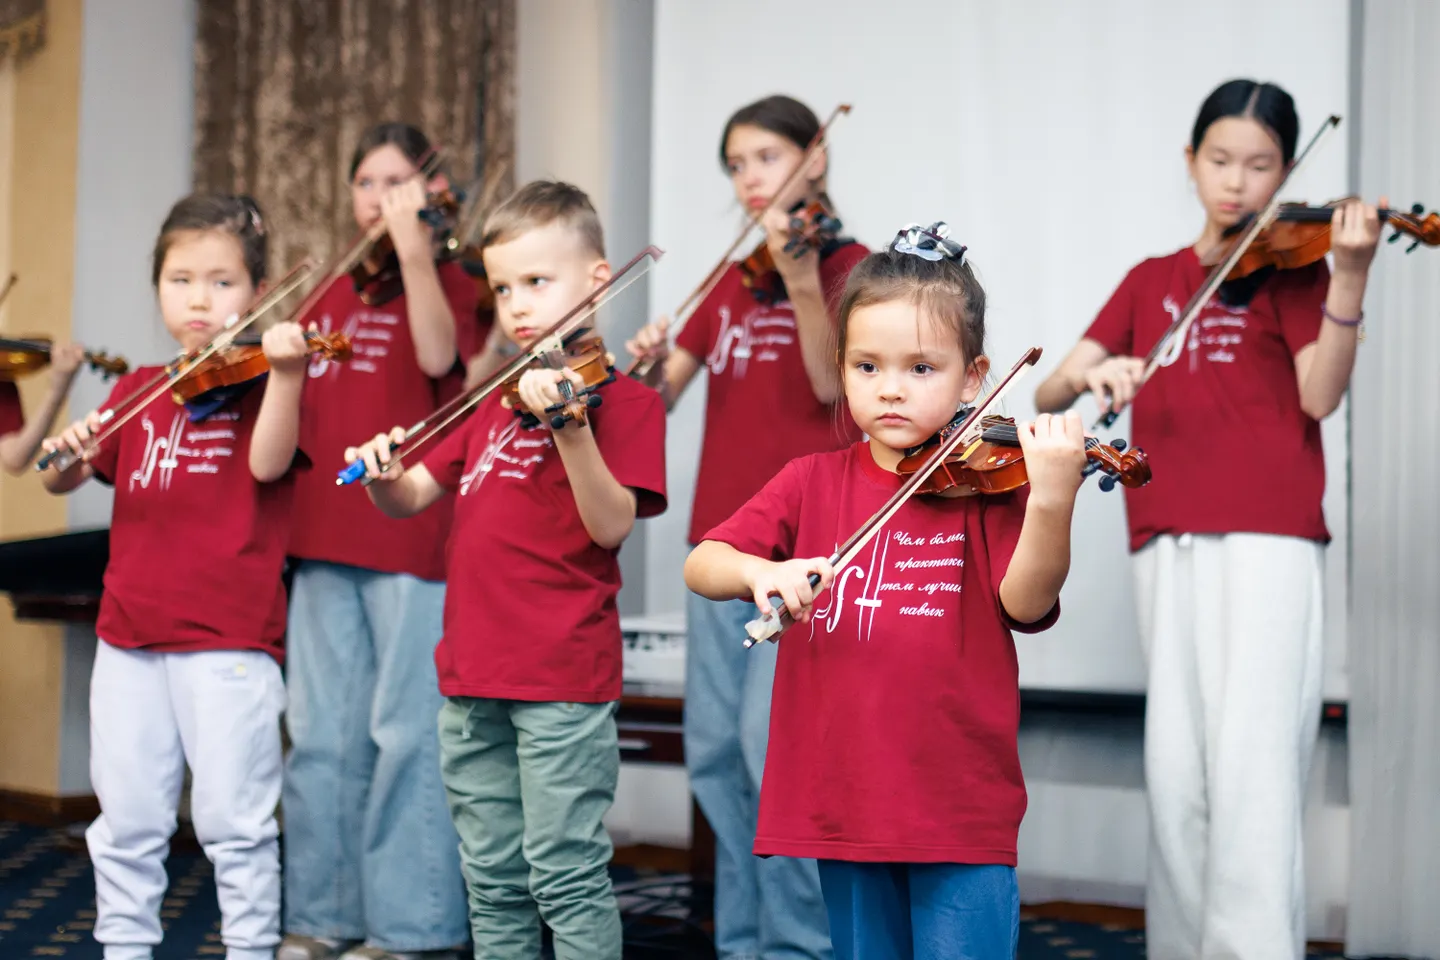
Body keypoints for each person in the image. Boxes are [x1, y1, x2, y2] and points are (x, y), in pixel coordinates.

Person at [1032, 79, 1383, 959]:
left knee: (1254, 775)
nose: (1236, 182)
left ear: (1286, 173)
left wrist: (1349, 276)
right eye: (1220, 161)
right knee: (1177, 774)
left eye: (1260, 166)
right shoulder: (1152, 281)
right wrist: (1095, 372)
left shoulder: (1297, 271)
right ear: (1189, 163)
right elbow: (1048, 388)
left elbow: (1320, 392)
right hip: (1164, 539)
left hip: (1268, 540)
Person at [684, 222, 1085, 958]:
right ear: (841, 367)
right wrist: (760, 572)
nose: (890, 388)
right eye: (867, 367)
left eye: (921, 369)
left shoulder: (988, 489)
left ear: (974, 376)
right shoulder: (812, 481)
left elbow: (1026, 604)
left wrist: (1053, 501)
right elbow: (705, 561)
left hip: (957, 806)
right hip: (846, 802)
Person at [345, 180, 667, 960]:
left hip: (560, 678)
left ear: (597, 280)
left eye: (537, 282)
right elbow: (415, 494)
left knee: (563, 874)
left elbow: (612, 523)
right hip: (470, 677)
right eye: (503, 289)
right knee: (489, 878)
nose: (517, 306)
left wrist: (571, 429)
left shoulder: (624, 403)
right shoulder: (489, 402)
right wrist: (387, 474)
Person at [625, 93, 870, 959]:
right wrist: (644, 368)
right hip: (723, 549)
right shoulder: (730, 280)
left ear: (816, 159)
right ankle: (743, 940)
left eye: (766, 157)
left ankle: (798, 946)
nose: (750, 178)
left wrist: (803, 280)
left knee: (778, 764)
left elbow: (830, 389)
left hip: (805, 552)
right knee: (717, 757)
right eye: (737, 164)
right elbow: (662, 400)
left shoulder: (855, 271)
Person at [39, 193, 307, 960]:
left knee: (235, 825)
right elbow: (61, 481)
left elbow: (268, 464)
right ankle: (125, 948)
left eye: (223, 282)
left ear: (258, 293)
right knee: (125, 824)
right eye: (181, 278)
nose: (200, 298)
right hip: (129, 638)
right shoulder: (137, 392)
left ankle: (251, 950)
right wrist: (68, 445)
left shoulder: (265, 384)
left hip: (229, 644)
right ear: (158, 287)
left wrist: (286, 374)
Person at [279, 122, 480, 960]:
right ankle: (320, 918)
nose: (379, 198)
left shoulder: (460, 283)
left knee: (405, 736)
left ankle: (407, 930)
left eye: (397, 182)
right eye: (367, 182)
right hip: (321, 537)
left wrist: (415, 252)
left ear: (433, 195)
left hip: (413, 540)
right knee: (321, 737)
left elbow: (441, 357)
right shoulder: (329, 290)